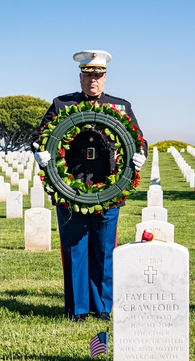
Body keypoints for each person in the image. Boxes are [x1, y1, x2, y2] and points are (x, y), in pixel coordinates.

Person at [32, 51, 147, 322]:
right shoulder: (62, 104)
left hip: (108, 189)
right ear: (80, 77)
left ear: (105, 78)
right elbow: (40, 137)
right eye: (88, 75)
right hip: (71, 188)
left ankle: (103, 307)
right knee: (75, 250)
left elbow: (138, 139)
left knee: (104, 250)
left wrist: (140, 152)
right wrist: (40, 152)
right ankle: (78, 309)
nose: (93, 81)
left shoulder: (120, 106)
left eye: (98, 76)